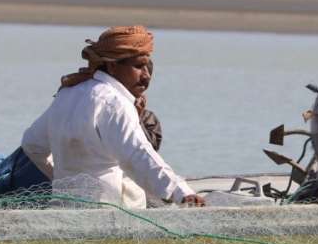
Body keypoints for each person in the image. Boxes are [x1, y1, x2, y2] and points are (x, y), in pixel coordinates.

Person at [21, 26, 204, 207]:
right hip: (108, 212)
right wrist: (181, 192)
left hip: (64, 207)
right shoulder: (113, 102)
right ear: (113, 65)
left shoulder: (66, 94)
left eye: (147, 67)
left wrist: (62, 180)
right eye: (138, 66)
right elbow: (138, 154)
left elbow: (32, 144)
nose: (146, 76)